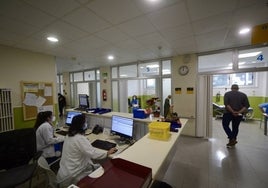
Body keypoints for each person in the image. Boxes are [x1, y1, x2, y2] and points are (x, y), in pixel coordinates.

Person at [57, 114, 117, 185]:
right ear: (81, 125)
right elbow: (93, 154)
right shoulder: (80, 139)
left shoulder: (69, 135)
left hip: (64, 171)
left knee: (94, 165)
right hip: (73, 174)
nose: (86, 124)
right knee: (101, 167)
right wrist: (107, 153)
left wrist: (85, 141)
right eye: (85, 122)